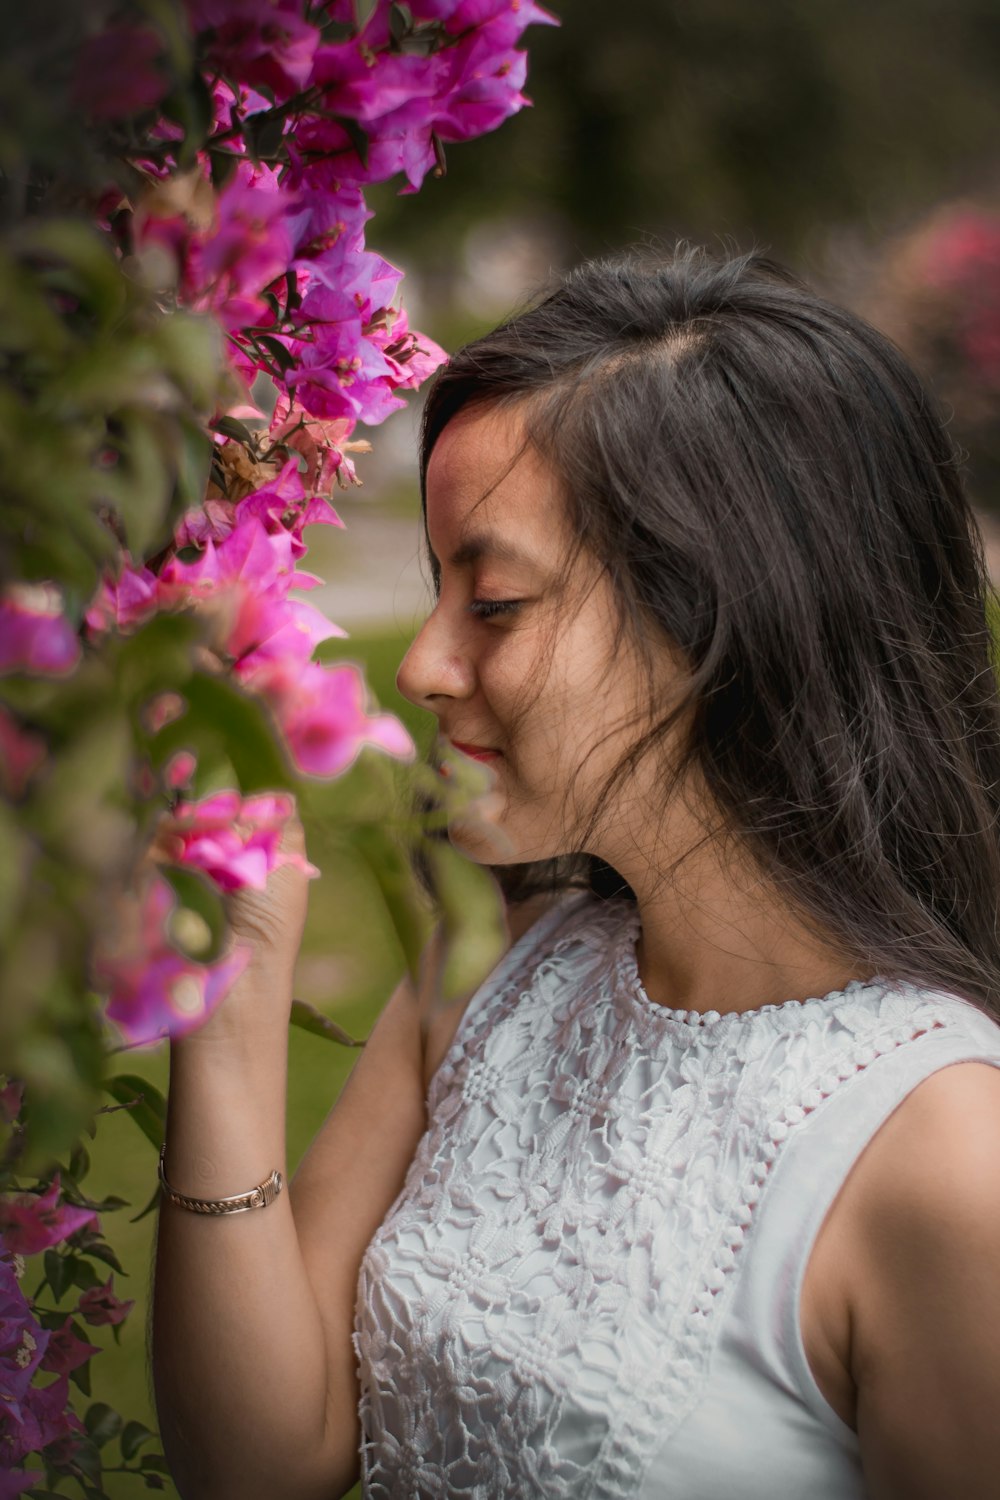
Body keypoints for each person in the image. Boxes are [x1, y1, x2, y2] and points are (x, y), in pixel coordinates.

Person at [151, 247, 1000, 1500]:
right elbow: (267, 1464)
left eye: (490, 601)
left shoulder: (945, 1166)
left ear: (715, 617)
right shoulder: (493, 966)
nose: (424, 666)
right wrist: (225, 1015)